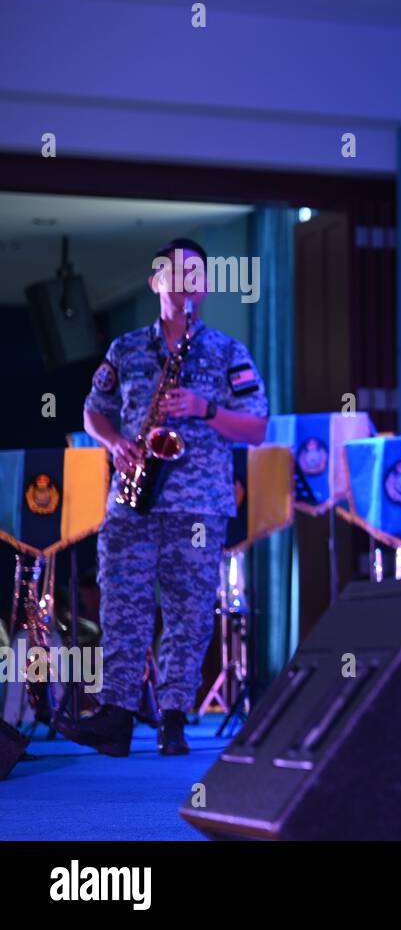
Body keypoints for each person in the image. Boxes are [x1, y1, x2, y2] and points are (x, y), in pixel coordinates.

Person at [59, 238, 269, 757]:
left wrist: (204, 409)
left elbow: (258, 427)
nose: (186, 281)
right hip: (132, 499)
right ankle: (116, 716)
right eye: (175, 272)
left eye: (196, 273)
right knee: (122, 608)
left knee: (189, 611)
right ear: (156, 282)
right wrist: (114, 442)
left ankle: (173, 717)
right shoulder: (126, 349)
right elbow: (93, 410)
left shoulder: (225, 351)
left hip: (197, 505)